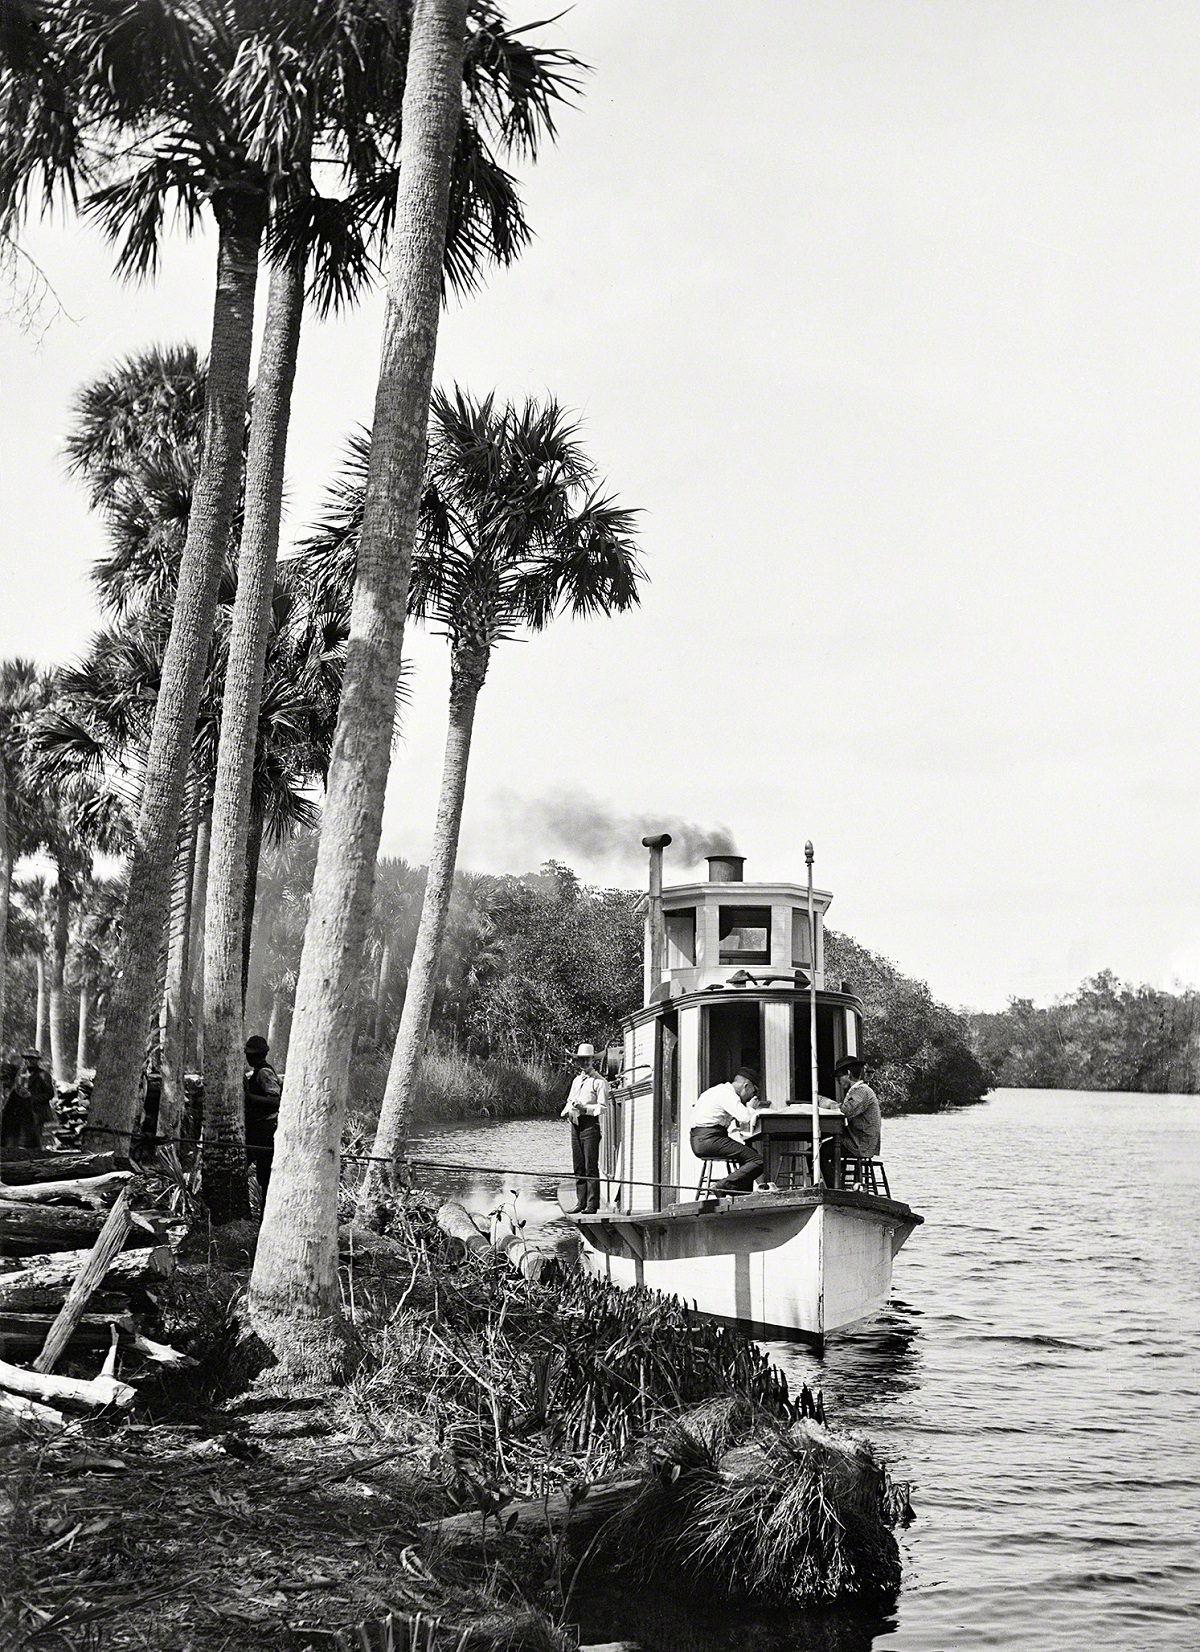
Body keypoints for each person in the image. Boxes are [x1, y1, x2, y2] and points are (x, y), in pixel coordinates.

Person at [689, 1066, 766, 1194]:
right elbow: (745, 1117)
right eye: (753, 1092)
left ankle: (742, 1196)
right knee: (757, 1161)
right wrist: (751, 1108)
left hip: (701, 1138)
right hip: (710, 1139)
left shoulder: (716, 1091)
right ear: (746, 1085)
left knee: (749, 1154)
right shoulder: (727, 1094)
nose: (752, 1097)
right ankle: (722, 1187)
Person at [561, 1042, 609, 1214]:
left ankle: (591, 1204)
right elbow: (569, 1100)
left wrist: (585, 1109)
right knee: (578, 1165)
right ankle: (580, 1202)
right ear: (577, 1062)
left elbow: (603, 1107)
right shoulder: (576, 1081)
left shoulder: (600, 1082)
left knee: (590, 1166)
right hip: (575, 1124)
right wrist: (568, 1111)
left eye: (587, 1060)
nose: (585, 1063)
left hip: (590, 1126)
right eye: (581, 1060)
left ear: (593, 1061)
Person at [823, 1055, 882, 1183]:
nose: (838, 1081)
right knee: (825, 1148)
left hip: (860, 1143)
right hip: (857, 1139)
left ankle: (834, 1188)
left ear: (848, 1074)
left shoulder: (861, 1091)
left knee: (821, 1152)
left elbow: (845, 1111)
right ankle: (835, 1185)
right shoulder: (858, 1091)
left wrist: (827, 1104)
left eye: (839, 1076)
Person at [243, 1035, 283, 1202]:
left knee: (266, 1176)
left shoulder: (264, 1072)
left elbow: (275, 1100)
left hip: (265, 1130)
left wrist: (249, 1096)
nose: (249, 1057)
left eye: (253, 1054)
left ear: (261, 1055)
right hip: (256, 1129)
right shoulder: (255, 1073)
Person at [2, 1050, 57, 1152]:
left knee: (36, 1136)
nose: (29, 1061)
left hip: (36, 1110)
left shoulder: (43, 1075)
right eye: (27, 1059)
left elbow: (50, 1094)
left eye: (32, 1059)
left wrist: (33, 1097)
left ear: (37, 1061)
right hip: (21, 1110)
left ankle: (37, 1152)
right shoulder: (20, 1074)